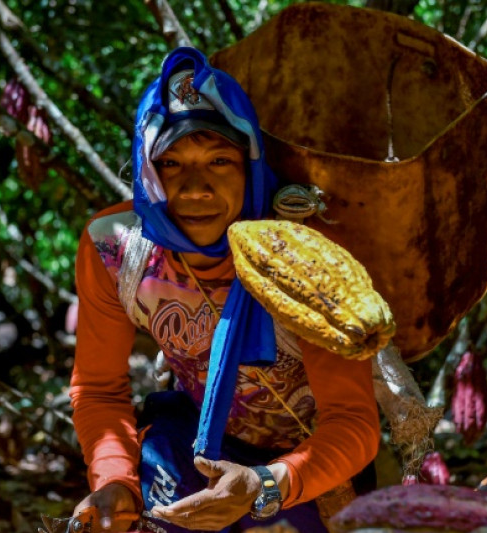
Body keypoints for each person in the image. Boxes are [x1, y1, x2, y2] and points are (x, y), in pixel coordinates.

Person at [69, 47, 379, 533]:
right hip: (193, 443)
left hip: (307, 463)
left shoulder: (301, 259)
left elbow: (352, 421)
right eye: (171, 163)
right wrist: (113, 480)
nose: (196, 188)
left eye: (219, 160)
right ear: (148, 173)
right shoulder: (116, 250)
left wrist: (264, 484)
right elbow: (98, 389)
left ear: (250, 165)